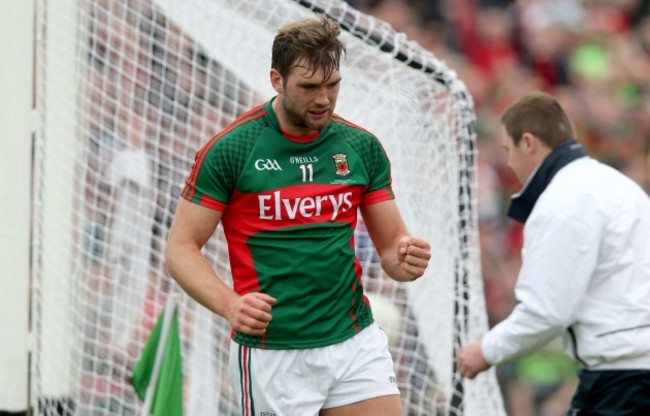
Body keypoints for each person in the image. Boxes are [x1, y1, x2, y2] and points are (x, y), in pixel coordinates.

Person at [165, 16, 431, 416]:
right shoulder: (232, 150)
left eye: (332, 84)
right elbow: (180, 250)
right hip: (276, 352)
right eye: (309, 87)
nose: (323, 99)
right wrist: (229, 305)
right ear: (277, 79)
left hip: (353, 339)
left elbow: (392, 250)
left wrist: (406, 259)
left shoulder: (361, 147)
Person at [456, 91, 650, 414]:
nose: (508, 162)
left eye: (509, 149)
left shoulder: (562, 199)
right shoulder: (618, 185)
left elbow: (546, 311)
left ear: (528, 143)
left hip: (623, 377)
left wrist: (485, 351)